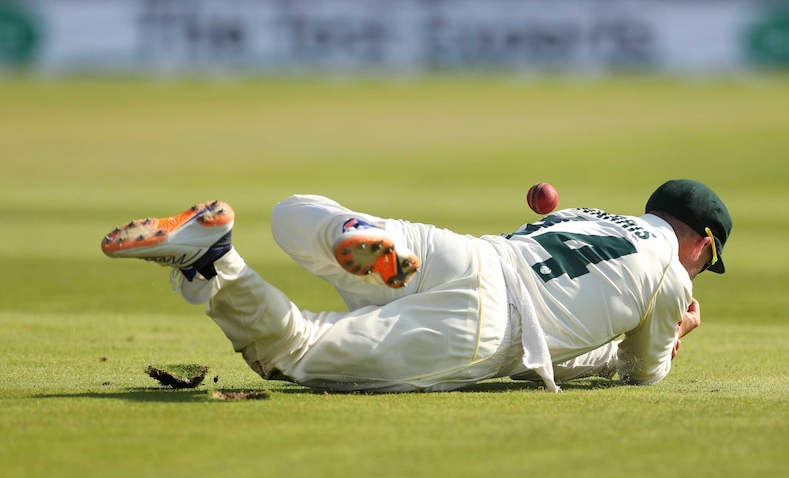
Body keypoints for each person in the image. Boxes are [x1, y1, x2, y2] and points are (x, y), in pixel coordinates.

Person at [100, 179, 731, 393]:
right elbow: (638, 372)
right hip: (493, 328)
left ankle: (353, 233)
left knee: (293, 215)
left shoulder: (580, 214)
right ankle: (215, 263)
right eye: (709, 256)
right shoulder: (672, 274)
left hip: (472, 258)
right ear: (700, 243)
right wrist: (673, 337)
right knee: (297, 353)